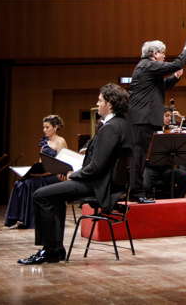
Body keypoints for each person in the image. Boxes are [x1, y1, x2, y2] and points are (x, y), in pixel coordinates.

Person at [17, 84, 132, 265]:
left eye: (100, 100)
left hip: (99, 185)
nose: (97, 103)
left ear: (109, 104)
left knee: (41, 195)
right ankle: (54, 249)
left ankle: (50, 250)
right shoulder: (122, 124)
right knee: (52, 196)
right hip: (101, 181)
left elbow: (97, 167)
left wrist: (73, 175)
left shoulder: (111, 127)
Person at [128, 36, 186, 201]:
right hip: (141, 119)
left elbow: (160, 87)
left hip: (143, 119)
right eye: (163, 53)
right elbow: (176, 64)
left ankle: (137, 192)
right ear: (155, 53)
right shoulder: (147, 64)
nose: (165, 56)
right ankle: (137, 193)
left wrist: (175, 78)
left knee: (140, 156)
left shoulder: (147, 69)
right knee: (138, 157)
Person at [5, 115, 68, 229]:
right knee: (20, 184)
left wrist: (41, 174)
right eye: (43, 127)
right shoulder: (44, 143)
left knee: (30, 184)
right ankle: (19, 219)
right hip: (44, 174)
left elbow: (62, 165)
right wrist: (32, 172)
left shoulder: (60, 141)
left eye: (47, 127)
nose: (44, 130)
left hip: (55, 176)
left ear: (55, 127)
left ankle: (29, 221)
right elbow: (41, 163)